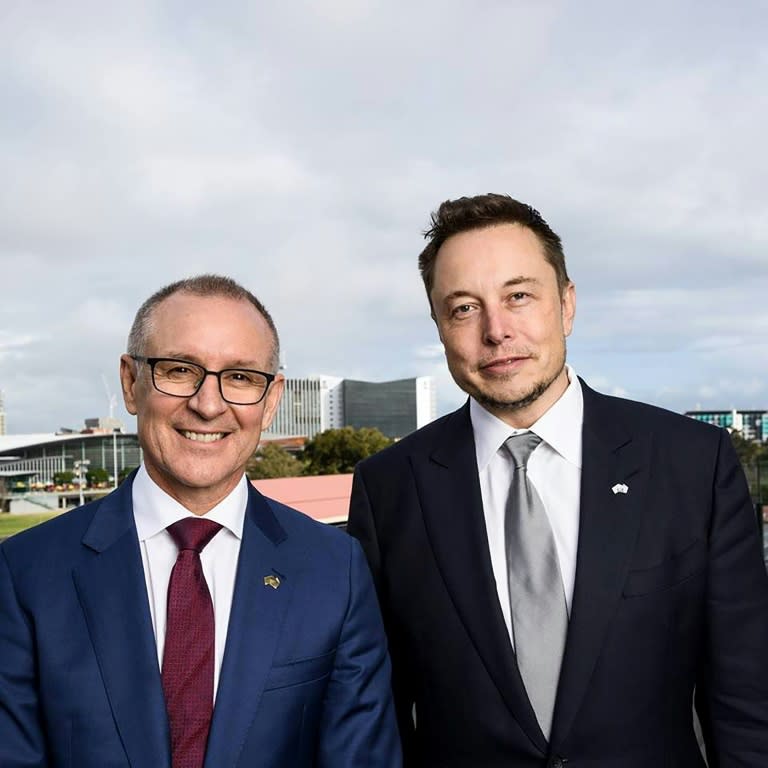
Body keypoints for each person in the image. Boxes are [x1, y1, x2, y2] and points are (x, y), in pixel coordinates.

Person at [347, 194, 768, 767]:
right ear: (440, 327)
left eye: (518, 296)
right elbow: (379, 712)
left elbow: (746, 697)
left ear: (566, 305)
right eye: (464, 308)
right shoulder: (388, 487)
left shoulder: (693, 462)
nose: (496, 331)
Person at [0, 274, 401, 768]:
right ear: (130, 383)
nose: (208, 405)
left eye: (240, 377)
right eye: (179, 369)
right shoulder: (24, 574)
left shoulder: (334, 570)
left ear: (271, 400)